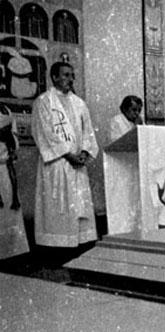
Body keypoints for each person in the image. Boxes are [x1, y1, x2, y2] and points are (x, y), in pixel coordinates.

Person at [31, 61, 99, 258]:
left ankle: (80, 246)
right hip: (58, 163)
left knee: (79, 207)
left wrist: (85, 152)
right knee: (58, 208)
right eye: (66, 75)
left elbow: (88, 132)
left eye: (72, 75)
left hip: (77, 163)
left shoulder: (79, 103)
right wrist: (68, 154)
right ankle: (56, 250)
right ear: (54, 77)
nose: (71, 79)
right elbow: (43, 133)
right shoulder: (44, 101)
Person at [0, 103, 29, 261]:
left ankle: (12, 254)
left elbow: (14, 136)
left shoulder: (5, 110)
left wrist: (11, 141)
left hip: (6, 168)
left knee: (10, 211)